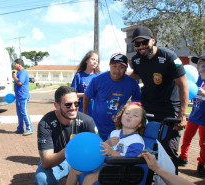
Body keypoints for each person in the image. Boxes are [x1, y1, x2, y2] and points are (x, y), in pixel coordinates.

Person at [130, 26, 189, 173]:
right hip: (148, 108)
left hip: (170, 110)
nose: (141, 47)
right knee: (145, 148)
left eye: (144, 42)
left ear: (153, 41)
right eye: (137, 44)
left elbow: (183, 85)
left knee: (168, 151)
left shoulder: (169, 57)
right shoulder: (136, 60)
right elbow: (133, 78)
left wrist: (182, 114)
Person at [66, 101, 146, 185]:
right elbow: (103, 149)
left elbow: (131, 162)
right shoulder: (114, 133)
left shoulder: (137, 141)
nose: (130, 116)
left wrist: (112, 152)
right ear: (121, 115)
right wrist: (108, 143)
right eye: (127, 113)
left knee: (89, 178)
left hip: (122, 171)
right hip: (106, 165)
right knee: (74, 169)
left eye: (135, 115)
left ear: (140, 124)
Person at [35, 86, 97, 185]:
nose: (73, 108)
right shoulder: (46, 123)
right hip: (57, 161)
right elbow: (46, 162)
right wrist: (70, 148)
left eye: (76, 103)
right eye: (68, 105)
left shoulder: (87, 121)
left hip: (81, 160)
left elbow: (96, 152)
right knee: (42, 178)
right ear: (56, 105)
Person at [83, 53, 141, 141]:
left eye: (121, 67)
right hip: (97, 127)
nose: (117, 70)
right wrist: (85, 112)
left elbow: (136, 104)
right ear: (109, 66)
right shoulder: (97, 80)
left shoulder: (132, 84)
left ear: (126, 69)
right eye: (114, 66)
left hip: (118, 129)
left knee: (114, 153)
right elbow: (87, 96)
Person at [178, 55, 205, 177]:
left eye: (202, 62)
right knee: (186, 138)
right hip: (194, 116)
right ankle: (183, 158)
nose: (200, 65)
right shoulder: (195, 79)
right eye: (198, 62)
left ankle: (202, 164)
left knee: (203, 143)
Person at [71, 51, 100, 116]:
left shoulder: (99, 77)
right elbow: (72, 94)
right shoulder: (79, 76)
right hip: (82, 111)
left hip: (96, 112)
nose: (95, 62)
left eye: (97, 60)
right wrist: (86, 94)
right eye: (93, 59)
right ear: (86, 60)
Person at [13, 58, 34, 136]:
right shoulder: (20, 72)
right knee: (19, 113)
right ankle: (20, 128)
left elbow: (20, 82)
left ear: (19, 64)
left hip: (23, 97)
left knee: (24, 112)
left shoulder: (23, 72)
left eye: (15, 64)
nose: (14, 65)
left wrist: (14, 76)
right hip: (18, 96)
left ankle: (30, 129)